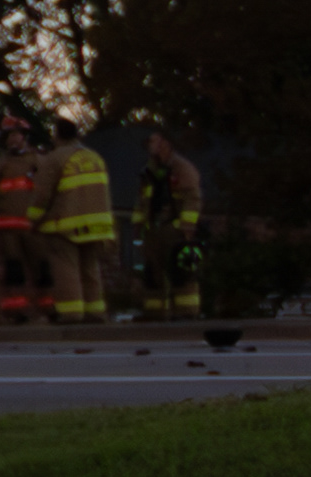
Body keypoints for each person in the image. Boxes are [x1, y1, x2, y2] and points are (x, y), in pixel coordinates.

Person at [36, 120, 121, 324]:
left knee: (66, 268)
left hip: (65, 224)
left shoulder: (55, 158)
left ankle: (71, 313)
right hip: (97, 225)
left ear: (57, 135)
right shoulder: (95, 157)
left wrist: (33, 218)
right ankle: (95, 312)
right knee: (90, 267)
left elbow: (42, 195)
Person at [0, 118, 49, 324]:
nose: (13, 140)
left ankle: (48, 309)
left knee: (43, 268)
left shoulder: (40, 161)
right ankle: (16, 313)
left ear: (25, 137)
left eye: (17, 135)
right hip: (6, 227)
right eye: (9, 136)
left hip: (34, 227)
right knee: (13, 271)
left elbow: (50, 191)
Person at [137, 130, 205, 318]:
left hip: (174, 229)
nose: (150, 146)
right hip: (153, 230)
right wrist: (140, 227)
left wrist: (184, 226)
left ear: (166, 144)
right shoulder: (149, 171)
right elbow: (142, 201)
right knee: (153, 273)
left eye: (154, 141)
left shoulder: (182, 168)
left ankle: (187, 312)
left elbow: (193, 198)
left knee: (181, 271)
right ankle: (154, 313)